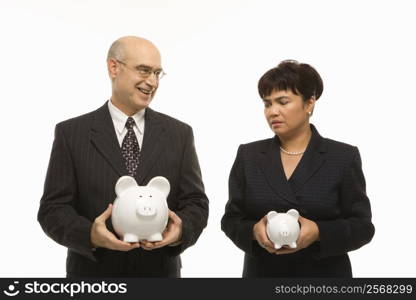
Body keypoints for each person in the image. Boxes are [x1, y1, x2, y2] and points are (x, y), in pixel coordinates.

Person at [38, 36, 209, 277]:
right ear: (114, 67)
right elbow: (52, 209)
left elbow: (196, 203)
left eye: (157, 73)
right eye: (144, 70)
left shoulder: (179, 134)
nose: (152, 82)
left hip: (159, 274)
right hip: (93, 276)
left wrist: (180, 230)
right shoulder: (71, 133)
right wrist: (90, 235)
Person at [221, 60, 374, 277]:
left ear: (309, 103)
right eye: (267, 104)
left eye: (283, 102)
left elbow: (362, 227)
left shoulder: (342, 156)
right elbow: (231, 219)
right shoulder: (249, 155)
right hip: (263, 275)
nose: (273, 111)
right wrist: (253, 232)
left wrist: (319, 232)